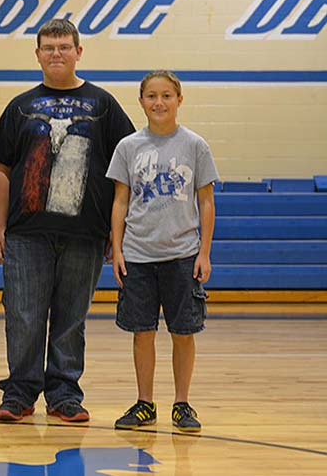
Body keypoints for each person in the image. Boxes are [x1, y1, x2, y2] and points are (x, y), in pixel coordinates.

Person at [0, 18, 135, 422]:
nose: (56, 54)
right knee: (23, 316)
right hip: (26, 234)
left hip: (84, 234)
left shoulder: (104, 105)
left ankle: (64, 394)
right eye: (49, 47)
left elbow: (126, 169)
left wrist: (114, 231)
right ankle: (19, 393)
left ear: (78, 52)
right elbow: (1, 170)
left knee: (71, 318)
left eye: (64, 47)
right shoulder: (19, 106)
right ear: (37, 54)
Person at [107, 70, 218, 433]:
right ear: (141, 101)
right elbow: (120, 201)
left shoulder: (195, 145)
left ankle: (182, 403)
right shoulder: (128, 147)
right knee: (142, 332)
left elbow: (206, 201)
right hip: (138, 254)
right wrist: (118, 249)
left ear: (179, 100)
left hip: (182, 255)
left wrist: (203, 253)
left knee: (183, 331)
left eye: (166, 95)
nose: (159, 102)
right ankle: (144, 403)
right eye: (152, 96)